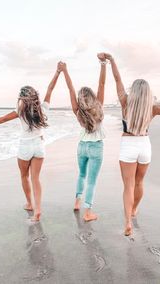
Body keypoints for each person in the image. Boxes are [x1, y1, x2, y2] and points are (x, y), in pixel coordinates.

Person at [104, 52, 160, 236]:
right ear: (148, 94)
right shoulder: (153, 108)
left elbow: (117, 79)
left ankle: (128, 221)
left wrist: (112, 60)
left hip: (128, 145)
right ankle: (135, 209)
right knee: (139, 182)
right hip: (144, 146)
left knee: (128, 186)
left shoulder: (125, 103)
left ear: (134, 92)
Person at [0, 63, 61, 221]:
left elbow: (3, 119)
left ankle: (30, 204)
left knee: (24, 176)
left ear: (22, 98)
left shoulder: (20, 111)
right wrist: (57, 72)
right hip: (39, 146)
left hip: (25, 147)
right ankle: (38, 209)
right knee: (36, 178)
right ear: (35, 96)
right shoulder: (43, 109)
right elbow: (50, 89)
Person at [57, 53, 107, 221]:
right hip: (96, 147)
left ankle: (77, 202)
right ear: (92, 96)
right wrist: (103, 64)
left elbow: (70, 89)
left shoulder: (78, 111)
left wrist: (64, 71)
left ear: (80, 99)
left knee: (82, 175)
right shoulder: (98, 105)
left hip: (81, 147)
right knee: (92, 181)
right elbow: (102, 83)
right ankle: (88, 213)